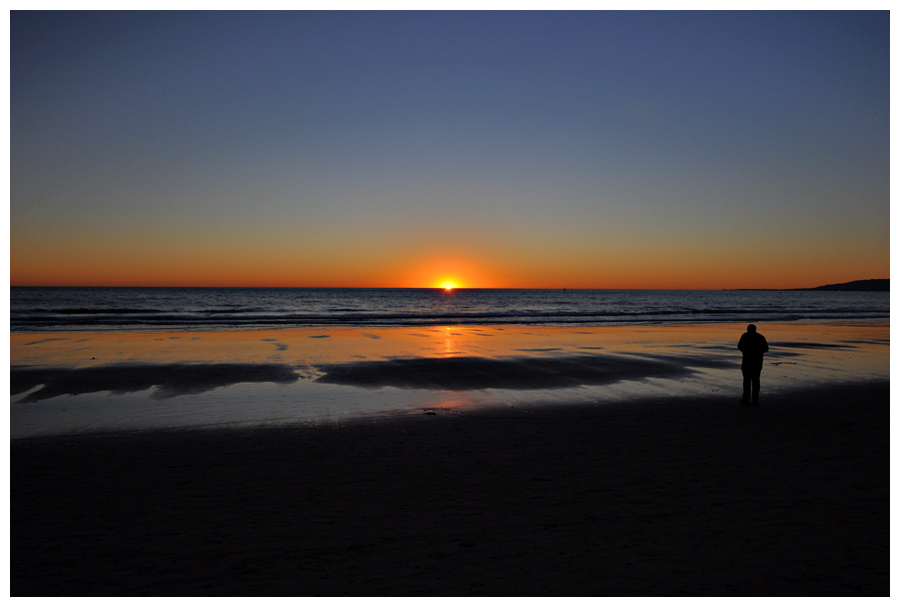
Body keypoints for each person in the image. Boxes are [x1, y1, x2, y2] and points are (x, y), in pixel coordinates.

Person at [737, 324, 769, 404]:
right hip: (756, 361)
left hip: (747, 361)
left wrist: (746, 351)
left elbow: (740, 346)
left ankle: (746, 398)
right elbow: (766, 349)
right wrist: (758, 352)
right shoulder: (760, 337)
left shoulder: (745, 336)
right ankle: (755, 399)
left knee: (747, 380)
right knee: (755, 380)